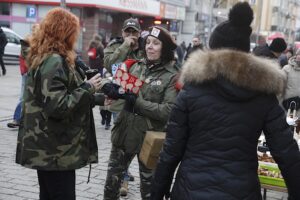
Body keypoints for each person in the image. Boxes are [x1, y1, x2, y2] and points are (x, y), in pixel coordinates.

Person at [151, 2, 300, 200]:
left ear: (213, 50)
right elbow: (287, 151)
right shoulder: (263, 96)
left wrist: (156, 193)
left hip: (190, 190)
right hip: (242, 191)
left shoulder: (191, 90)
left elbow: (170, 151)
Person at [15, 8, 104, 200]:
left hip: (49, 147)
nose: (75, 36)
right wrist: (88, 88)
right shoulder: (54, 60)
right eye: (73, 31)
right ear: (63, 32)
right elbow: (58, 106)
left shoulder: (48, 56)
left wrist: (97, 97)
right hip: (55, 150)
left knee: (48, 195)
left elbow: (59, 94)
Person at [102, 26, 179, 200]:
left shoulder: (172, 76)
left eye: (156, 43)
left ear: (164, 48)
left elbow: (168, 111)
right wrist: (111, 90)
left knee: (150, 192)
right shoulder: (135, 66)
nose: (150, 46)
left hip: (150, 139)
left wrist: (137, 101)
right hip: (124, 133)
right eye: (148, 42)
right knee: (110, 188)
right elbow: (119, 85)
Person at [103, 17, 144, 195]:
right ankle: (123, 181)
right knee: (121, 145)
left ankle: (124, 175)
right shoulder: (116, 46)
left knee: (134, 146)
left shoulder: (145, 48)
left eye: (134, 32)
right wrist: (125, 46)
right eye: (127, 31)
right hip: (120, 102)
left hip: (140, 105)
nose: (131, 35)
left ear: (139, 33)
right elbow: (110, 64)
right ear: (122, 33)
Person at [7, 24, 39, 128]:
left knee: (33, 97)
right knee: (23, 96)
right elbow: (28, 58)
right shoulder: (27, 43)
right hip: (27, 72)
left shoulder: (38, 43)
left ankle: (27, 120)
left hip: (34, 72)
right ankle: (16, 119)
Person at [282, 49, 300, 137]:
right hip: (288, 109)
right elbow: (279, 89)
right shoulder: (287, 69)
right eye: (299, 54)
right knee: (286, 135)